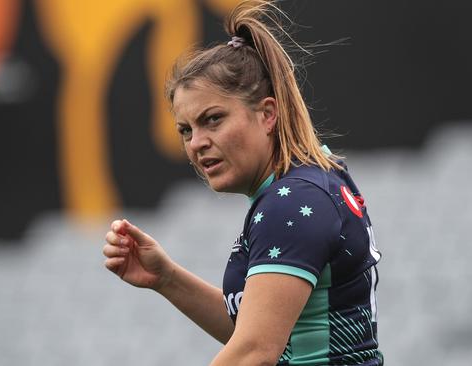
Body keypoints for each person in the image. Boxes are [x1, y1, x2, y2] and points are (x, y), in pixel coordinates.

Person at [103, 1, 383, 364]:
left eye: (213, 119)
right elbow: (265, 335)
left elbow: (255, 351)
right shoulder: (309, 182)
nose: (196, 143)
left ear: (267, 114)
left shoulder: (293, 202)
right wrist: (167, 278)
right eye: (186, 130)